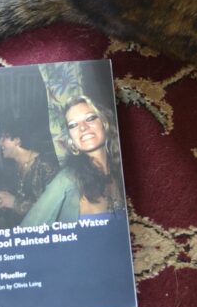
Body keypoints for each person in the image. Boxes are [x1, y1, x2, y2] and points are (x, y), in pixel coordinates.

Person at [21, 94, 124, 226]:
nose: (82, 127)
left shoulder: (120, 173)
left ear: (105, 124)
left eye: (90, 118)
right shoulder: (68, 179)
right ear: (72, 139)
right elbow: (27, 229)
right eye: (73, 125)